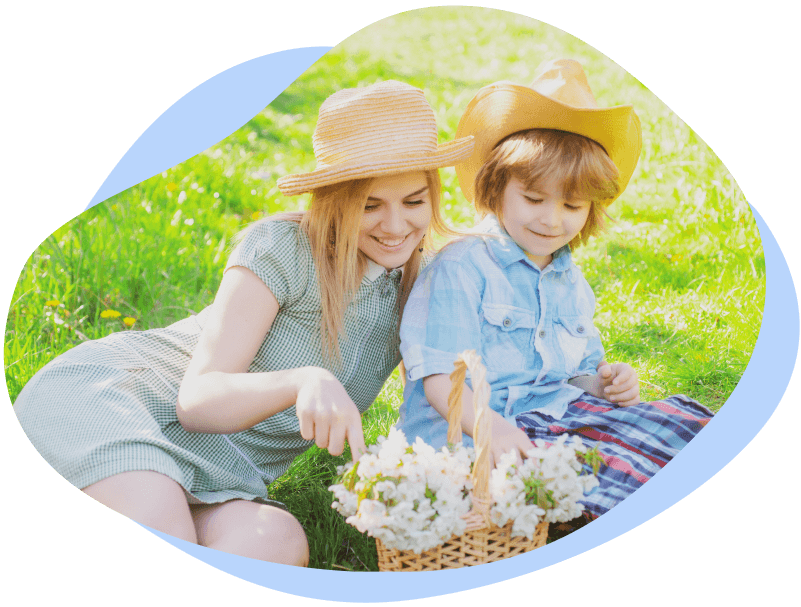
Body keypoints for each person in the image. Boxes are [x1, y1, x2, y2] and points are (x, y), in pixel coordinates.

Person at [13, 80, 474, 565]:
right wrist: (303, 380)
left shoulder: (423, 284)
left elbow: (438, 397)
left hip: (225, 477)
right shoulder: (283, 249)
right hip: (121, 399)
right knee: (162, 520)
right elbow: (196, 401)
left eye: (414, 201)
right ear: (335, 199)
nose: (396, 226)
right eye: (370, 205)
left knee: (275, 541)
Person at [395, 59, 714, 520]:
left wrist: (609, 383)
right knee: (622, 475)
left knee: (689, 428)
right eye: (534, 198)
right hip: (476, 431)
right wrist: (494, 429)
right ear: (496, 186)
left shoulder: (569, 279)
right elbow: (441, 382)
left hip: (557, 415)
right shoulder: (464, 265)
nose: (551, 219)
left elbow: (577, 377)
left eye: (571, 204)